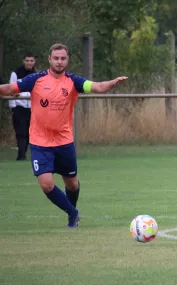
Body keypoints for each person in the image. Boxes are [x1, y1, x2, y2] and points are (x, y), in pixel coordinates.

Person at [0, 44, 128, 228]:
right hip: (40, 142)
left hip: (64, 142)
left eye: (63, 58)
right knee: (46, 184)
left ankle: (72, 216)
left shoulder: (74, 81)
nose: (59, 62)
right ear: (49, 59)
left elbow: (98, 87)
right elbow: (9, 89)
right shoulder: (35, 79)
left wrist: (113, 82)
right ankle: (73, 212)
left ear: (67, 60)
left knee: (73, 185)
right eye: (56, 58)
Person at [9, 53, 36, 160]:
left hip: (32, 108)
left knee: (30, 132)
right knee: (20, 132)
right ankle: (21, 156)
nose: (29, 63)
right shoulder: (16, 73)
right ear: (23, 61)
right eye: (27, 60)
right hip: (19, 107)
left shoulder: (36, 74)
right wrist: (13, 108)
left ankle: (24, 153)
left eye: (31, 61)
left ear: (34, 62)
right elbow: (11, 90)